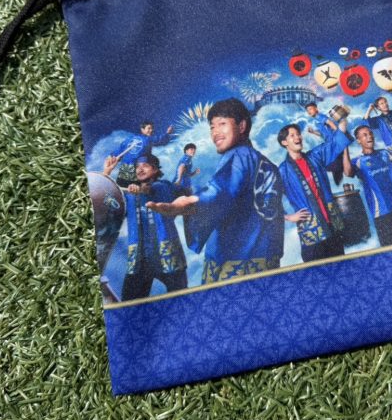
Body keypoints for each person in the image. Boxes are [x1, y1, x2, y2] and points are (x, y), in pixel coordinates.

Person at [148, 98, 284, 284]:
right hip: (268, 261)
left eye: (222, 124)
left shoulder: (238, 155)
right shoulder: (269, 166)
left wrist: (190, 203)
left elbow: (220, 191)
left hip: (234, 262)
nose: (215, 133)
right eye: (212, 127)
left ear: (242, 126)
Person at [278, 121, 351, 262]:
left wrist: (340, 128)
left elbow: (334, 144)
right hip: (311, 233)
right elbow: (266, 199)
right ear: (284, 142)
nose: (297, 137)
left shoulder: (315, 156)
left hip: (333, 227)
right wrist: (287, 217)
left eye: (298, 134)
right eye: (292, 135)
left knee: (341, 269)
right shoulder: (282, 171)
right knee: (317, 273)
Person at [119, 154, 188, 300]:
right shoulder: (129, 195)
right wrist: (106, 173)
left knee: (181, 300)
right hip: (139, 259)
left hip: (167, 256)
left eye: (145, 166)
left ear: (155, 169)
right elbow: (109, 204)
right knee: (128, 303)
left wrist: (143, 190)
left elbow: (152, 190)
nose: (140, 169)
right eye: (137, 167)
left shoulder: (164, 187)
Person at [343, 126, 392, 246]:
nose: (369, 136)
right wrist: (344, 146)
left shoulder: (385, 154)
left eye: (370, 133)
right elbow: (348, 172)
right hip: (382, 215)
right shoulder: (358, 161)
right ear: (358, 140)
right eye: (365, 135)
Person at [103, 120, 174, 250]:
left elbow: (117, 152)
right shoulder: (147, 140)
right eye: (148, 128)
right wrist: (168, 134)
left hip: (126, 171)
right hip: (136, 171)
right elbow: (160, 140)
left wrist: (111, 158)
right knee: (137, 195)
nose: (151, 131)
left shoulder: (129, 140)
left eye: (152, 129)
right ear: (142, 129)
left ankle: (114, 216)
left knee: (124, 196)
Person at [305, 102, 343, 185]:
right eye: (307, 110)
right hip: (330, 145)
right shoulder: (317, 120)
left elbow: (332, 125)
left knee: (336, 167)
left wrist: (337, 138)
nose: (309, 111)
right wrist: (313, 132)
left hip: (333, 144)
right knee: (335, 168)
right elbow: (323, 134)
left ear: (316, 108)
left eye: (310, 109)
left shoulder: (320, 117)